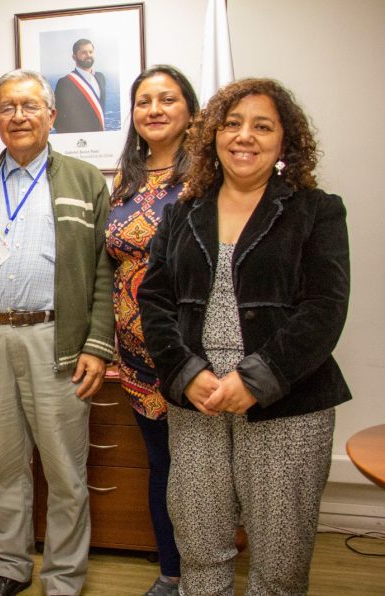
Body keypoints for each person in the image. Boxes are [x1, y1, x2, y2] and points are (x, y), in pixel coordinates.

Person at [138, 78, 351, 594]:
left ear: (284, 141)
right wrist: (188, 374)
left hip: (287, 401)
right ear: (212, 134)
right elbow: (155, 299)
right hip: (199, 398)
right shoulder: (182, 212)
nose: (244, 136)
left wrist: (255, 379)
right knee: (200, 544)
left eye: (262, 126)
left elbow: (325, 309)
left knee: (279, 557)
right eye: (232, 124)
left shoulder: (316, 209)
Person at [0, 69, 115, 596]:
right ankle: (13, 567)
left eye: (29, 107)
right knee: (5, 467)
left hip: (56, 343)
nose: (18, 117)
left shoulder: (86, 180)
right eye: (7, 108)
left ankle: (64, 579)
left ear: (51, 115)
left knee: (65, 472)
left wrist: (95, 344)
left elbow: (105, 272)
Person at [105, 65, 198, 596]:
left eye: (168, 99)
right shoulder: (125, 184)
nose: (155, 110)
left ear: (190, 110)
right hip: (137, 360)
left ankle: (207, 574)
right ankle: (171, 573)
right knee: (161, 467)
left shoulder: (207, 179)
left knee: (204, 471)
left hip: (191, 354)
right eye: (144, 101)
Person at [53, 39, 106, 134]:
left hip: (99, 138)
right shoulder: (65, 82)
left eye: (90, 52)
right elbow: (57, 118)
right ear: (74, 57)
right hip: (77, 142)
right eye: (83, 52)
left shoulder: (100, 77)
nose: (88, 55)